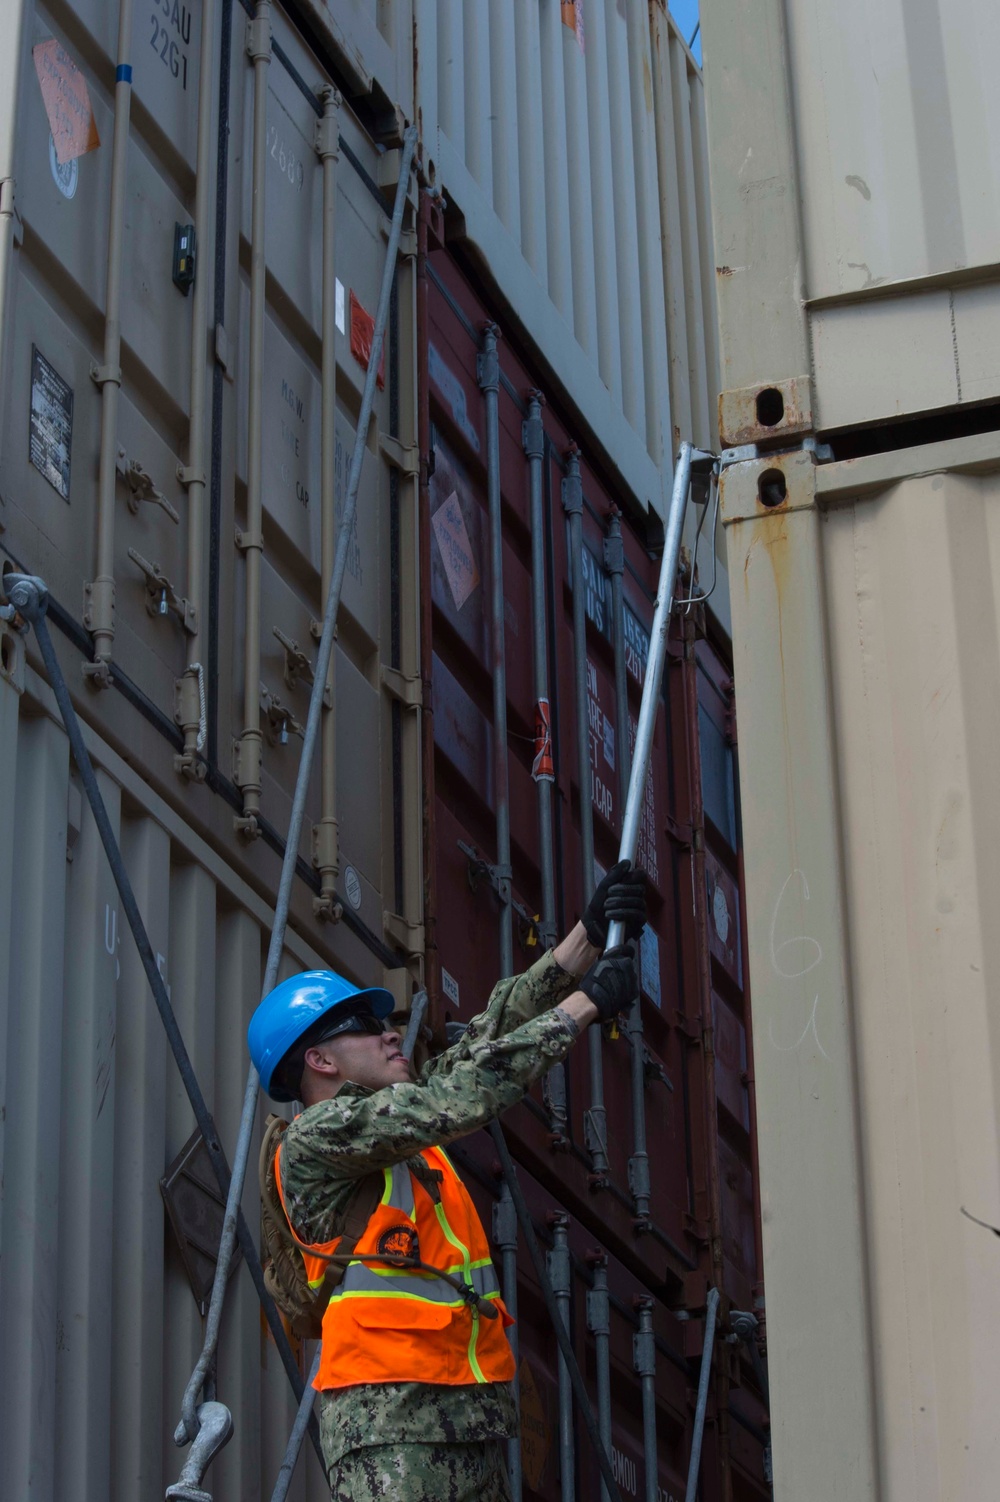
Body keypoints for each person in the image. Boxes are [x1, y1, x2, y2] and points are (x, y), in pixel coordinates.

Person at [248, 860, 647, 1502]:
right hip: (393, 1428)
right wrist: (586, 1005)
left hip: (466, 1420)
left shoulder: (396, 1130)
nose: (389, 1033)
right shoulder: (316, 1141)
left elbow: (485, 1044)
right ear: (318, 1060)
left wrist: (582, 944)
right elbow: (465, 1093)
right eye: (365, 1028)